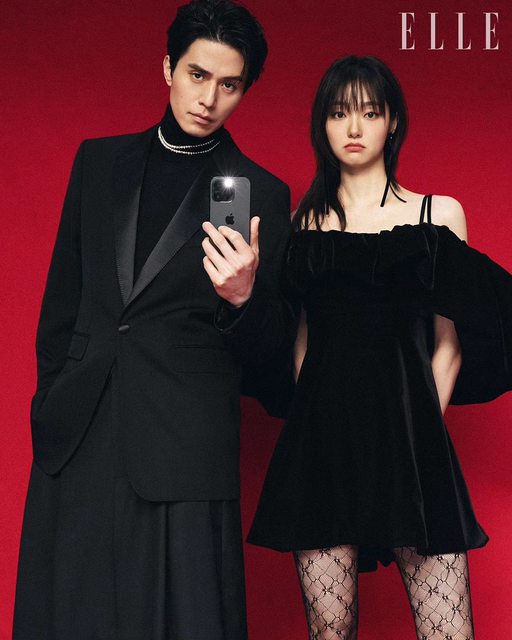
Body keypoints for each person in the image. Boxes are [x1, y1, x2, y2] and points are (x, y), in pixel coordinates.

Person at [13, 1, 292, 638]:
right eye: (197, 75)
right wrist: (51, 400)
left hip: (184, 447)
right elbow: (62, 304)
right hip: (80, 429)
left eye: (229, 85)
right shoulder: (97, 163)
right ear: (168, 68)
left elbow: (276, 368)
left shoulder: (259, 193)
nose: (209, 99)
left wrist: (244, 299)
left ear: (244, 90)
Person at [248, 55, 512, 639]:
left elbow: (449, 345)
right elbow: (301, 342)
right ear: (321, 123)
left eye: (370, 113)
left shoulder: (437, 215)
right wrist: (317, 421)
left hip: (414, 447)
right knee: (331, 631)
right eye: (339, 113)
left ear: (393, 122)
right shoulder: (301, 226)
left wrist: (416, 430)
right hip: (323, 448)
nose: (354, 127)